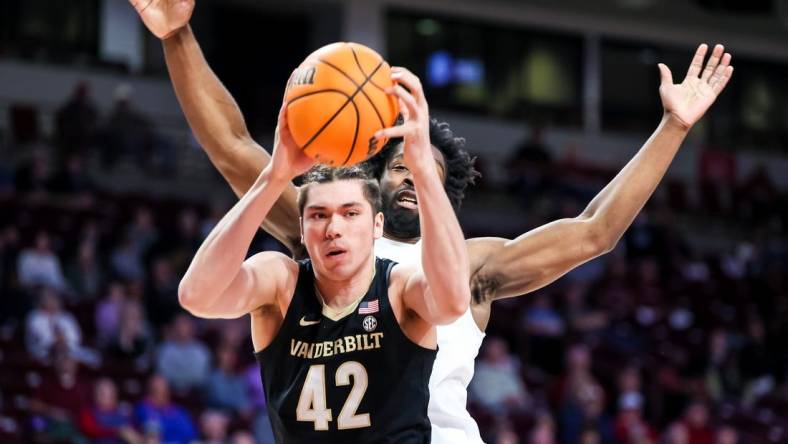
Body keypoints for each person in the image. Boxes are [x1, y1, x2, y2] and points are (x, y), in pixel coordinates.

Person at [131, 2, 734, 442]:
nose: (412, 180)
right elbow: (236, 149)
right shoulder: (333, 232)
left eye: (426, 172)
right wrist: (178, 34)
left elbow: (595, 230)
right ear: (371, 178)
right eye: (399, 165)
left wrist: (673, 128)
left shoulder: (473, 264)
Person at [176, 61, 471, 441]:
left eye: (350, 213)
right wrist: (274, 176)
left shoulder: (399, 288)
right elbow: (197, 295)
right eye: (319, 215)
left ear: (377, 225)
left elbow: (452, 301)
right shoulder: (281, 283)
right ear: (302, 228)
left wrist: (424, 170)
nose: (333, 229)